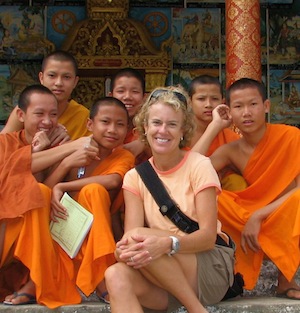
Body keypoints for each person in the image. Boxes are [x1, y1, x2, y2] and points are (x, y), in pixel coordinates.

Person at [105, 86, 235, 313]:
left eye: (172, 124)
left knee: (139, 239)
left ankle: (196, 309)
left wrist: (168, 244)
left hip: (208, 265)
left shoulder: (200, 165)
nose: (162, 131)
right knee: (114, 274)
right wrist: (122, 251)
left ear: (183, 130)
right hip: (164, 273)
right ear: (145, 127)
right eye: (156, 123)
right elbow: (131, 237)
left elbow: (206, 238)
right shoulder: (134, 177)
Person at [0, 84, 99, 307]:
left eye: (53, 114)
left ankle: (38, 280)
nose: (47, 121)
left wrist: (62, 160)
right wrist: (53, 151)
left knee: (50, 195)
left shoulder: (58, 145)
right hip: (6, 233)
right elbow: (12, 186)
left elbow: (56, 193)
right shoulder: (4, 143)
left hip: (39, 234)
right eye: (39, 114)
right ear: (20, 115)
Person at [207, 78, 300, 299]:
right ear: (229, 112)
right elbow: (191, 173)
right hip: (246, 216)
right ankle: (229, 275)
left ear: (266, 106)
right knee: (212, 199)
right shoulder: (231, 151)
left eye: (253, 104)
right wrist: (215, 126)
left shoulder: (291, 136)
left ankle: (286, 281)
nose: (246, 112)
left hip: (283, 213)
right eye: (238, 107)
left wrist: (259, 215)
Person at [44, 97, 135, 304]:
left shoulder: (123, 155)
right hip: (65, 230)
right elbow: (46, 191)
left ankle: (102, 273)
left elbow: (113, 180)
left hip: (98, 230)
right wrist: (66, 164)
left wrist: (64, 186)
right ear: (90, 124)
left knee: (93, 191)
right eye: (105, 122)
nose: (112, 129)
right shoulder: (72, 151)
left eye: (120, 125)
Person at [1, 50, 91, 144]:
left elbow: (88, 153)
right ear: (41, 78)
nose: (58, 83)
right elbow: (3, 145)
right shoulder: (26, 109)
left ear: (75, 82)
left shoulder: (83, 116)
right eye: (52, 75)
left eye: (66, 77)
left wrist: (67, 144)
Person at [189, 75, 247, 191]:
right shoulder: (180, 133)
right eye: (201, 99)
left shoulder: (231, 137)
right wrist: (214, 127)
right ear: (189, 102)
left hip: (224, 193)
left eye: (214, 99)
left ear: (223, 102)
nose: (208, 104)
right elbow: (187, 171)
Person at [108, 67, 151, 164]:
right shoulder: (103, 127)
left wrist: (145, 144)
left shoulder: (151, 128)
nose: (127, 97)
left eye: (135, 92)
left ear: (144, 98)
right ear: (111, 96)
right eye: (121, 91)